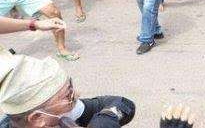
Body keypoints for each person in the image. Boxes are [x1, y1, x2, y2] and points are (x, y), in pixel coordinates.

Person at [0, 52, 136, 127]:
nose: (76, 95)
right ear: (37, 118)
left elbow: (124, 104)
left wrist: (106, 118)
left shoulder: (59, 114)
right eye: (68, 96)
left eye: (70, 89)